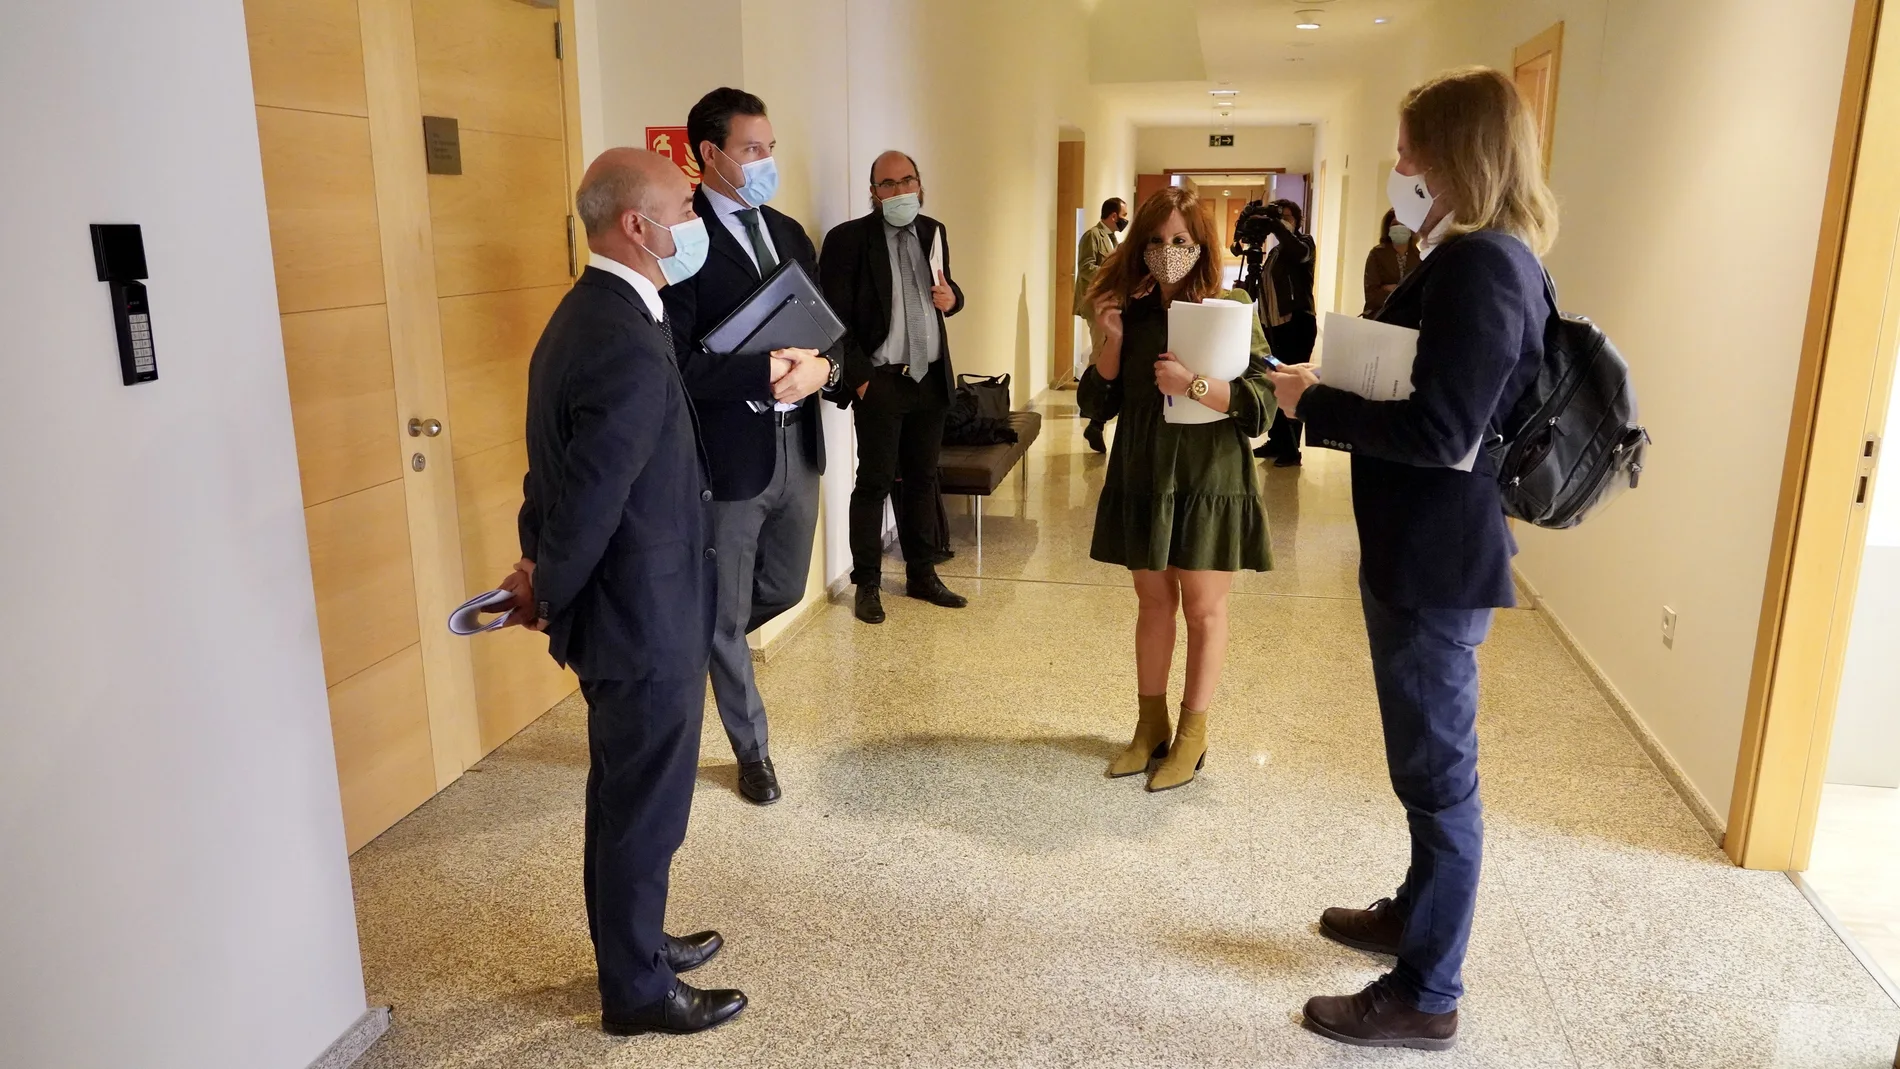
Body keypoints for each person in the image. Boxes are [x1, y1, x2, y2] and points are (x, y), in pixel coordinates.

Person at [1266, 67, 1558, 1050]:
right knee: (1421, 764)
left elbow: (1441, 432)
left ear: (1457, 150)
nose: (1398, 163)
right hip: (1425, 551)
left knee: (1440, 779)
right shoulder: (1491, 256)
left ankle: (1428, 987)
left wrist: (1317, 403)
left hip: (1437, 559)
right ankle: (1413, 909)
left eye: (1411, 144)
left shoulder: (1485, 265)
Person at [502, 149, 745, 1036]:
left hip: (628, 611)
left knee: (623, 799)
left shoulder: (588, 315)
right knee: (644, 811)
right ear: (637, 226)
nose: (698, 218)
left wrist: (538, 568)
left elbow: (551, 474)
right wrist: (548, 590)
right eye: (686, 205)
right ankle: (637, 991)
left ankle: (633, 944)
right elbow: (592, 497)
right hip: (644, 621)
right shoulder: (620, 339)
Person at [663, 88, 839, 806]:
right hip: (730, 456)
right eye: (752, 150)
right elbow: (674, 360)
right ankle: (753, 751)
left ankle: (711, 639)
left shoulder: (790, 231)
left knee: (783, 588)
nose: (766, 162)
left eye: (771, 148)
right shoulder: (682, 236)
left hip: (797, 447)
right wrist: (761, 368)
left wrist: (826, 370)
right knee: (729, 617)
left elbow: (830, 330)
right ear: (709, 155)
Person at [1087, 186, 1275, 792]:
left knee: (1203, 607)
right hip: (1144, 467)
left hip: (1208, 471)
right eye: (1157, 241)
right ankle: (1150, 728)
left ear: (1202, 245)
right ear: (1139, 246)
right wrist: (1108, 335)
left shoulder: (1230, 304)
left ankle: (1193, 736)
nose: (1169, 252)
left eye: (1182, 241)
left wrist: (1194, 385)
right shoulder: (1130, 308)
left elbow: (1261, 404)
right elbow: (1098, 400)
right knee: (1153, 603)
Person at [819, 150, 969, 625]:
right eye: (888, 184)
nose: (899, 191)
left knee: (923, 480)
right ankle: (867, 584)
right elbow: (833, 319)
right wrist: (861, 380)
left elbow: (945, 290)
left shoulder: (933, 230)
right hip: (882, 382)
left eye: (907, 181)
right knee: (875, 482)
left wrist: (956, 298)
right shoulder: (847, 240)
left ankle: (922, 574)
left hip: (930, 378)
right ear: (873, 192)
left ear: (920, 186)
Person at [1253, 198, 1318, 466]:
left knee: (1293, 382)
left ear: (1297, 220)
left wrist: (1276, 225)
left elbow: (1298, 253)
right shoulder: (1276, 251)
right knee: (1275, 381)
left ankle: (1292, 450)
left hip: (1297, 324)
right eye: (1277, 215)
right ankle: (1277, 441)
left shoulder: (1304, 243)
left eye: (1286, 216)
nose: (1281, 220)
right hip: (1273, 326)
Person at [1075, 197, 1128, 453]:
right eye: (1124, 214)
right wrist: (1112, 274)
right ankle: (1092, 406)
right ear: (1114, 215)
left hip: (1109, 303)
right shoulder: (1092, 236)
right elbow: (1085, 267)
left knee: (1105, 352)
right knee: (1099, 353)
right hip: (1096, 304)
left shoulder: (1112, 239)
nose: (1126, 219)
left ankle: (1096, 412)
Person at [1363, 208, 1421, 317]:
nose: (1399, 228)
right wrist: (1401, 292)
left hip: (1408, 320)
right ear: (1388, 229)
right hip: (1380, 317)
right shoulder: (1376, 254)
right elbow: (1372, 295)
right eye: (1395, 224)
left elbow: (1419, 295)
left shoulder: (1419, 257)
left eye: (1403, 224)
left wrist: (1389, 288)